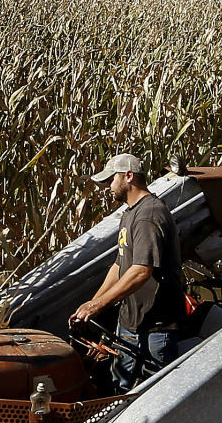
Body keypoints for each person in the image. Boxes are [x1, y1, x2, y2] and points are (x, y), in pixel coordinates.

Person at [70, 153, 185, 391]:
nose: (107, 187)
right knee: (120, 388)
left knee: (155, 394)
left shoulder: (149, 214)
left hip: (155, 326)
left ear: (128, 176)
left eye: (111, 180)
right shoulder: (130, 214)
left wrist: (98, 306)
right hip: (130, 322)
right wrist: (92, 304)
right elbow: (119, 265)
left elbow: (142, 270)